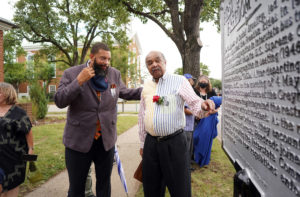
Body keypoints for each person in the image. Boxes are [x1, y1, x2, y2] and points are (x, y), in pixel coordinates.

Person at [55, 42, 142, 197]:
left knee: (104, 185)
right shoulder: (71, 73)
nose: (106, 63)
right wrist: (79, 81)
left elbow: (125, 92)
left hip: (105, 141)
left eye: (109, 59)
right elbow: (60, 101)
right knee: (76, 188)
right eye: (103, 58)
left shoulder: (113, 73)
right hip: (78, 142)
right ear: (92, 57)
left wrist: (149, 89)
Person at [138, 51, 215, 197]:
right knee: (151, 189)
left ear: (165, 62)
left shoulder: (179, 81)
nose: (154, 64)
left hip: (174, 144)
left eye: (157, 60)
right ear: (147, 67)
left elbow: (194, 102)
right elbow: (142, 116)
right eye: (149, 63)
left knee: (180, 189)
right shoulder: (146, 86)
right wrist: (142, 144)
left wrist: (204, 106)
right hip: (151, 145)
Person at [0, 82, 34, 197]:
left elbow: (28, 133)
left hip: (14, 160)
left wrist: (30, 151)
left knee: (11, 191)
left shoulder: (19, 113)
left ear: (6, 94)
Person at [183, 74, 195, 163]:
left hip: (190, 126)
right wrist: (195, 112)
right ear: (187, 81)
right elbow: (184, 109)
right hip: (185, 126)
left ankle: (188, 164)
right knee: (186, 148)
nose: (193, 81)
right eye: (191, 80)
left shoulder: (189, 92)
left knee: (190, 147)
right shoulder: (184, 93)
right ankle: (185, 167)